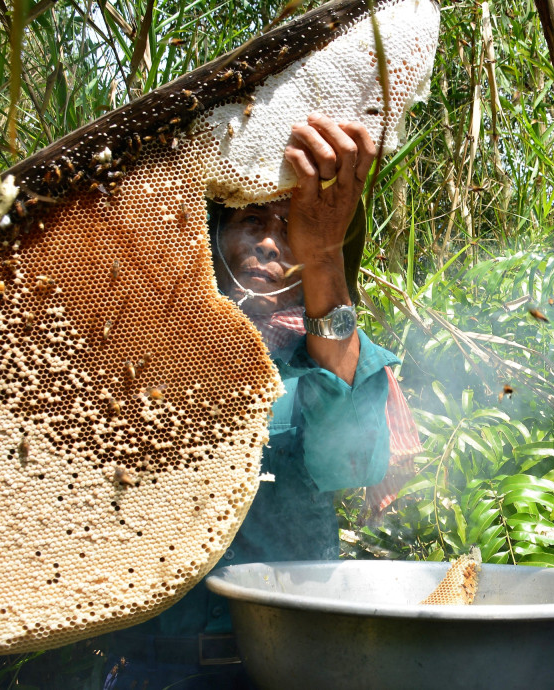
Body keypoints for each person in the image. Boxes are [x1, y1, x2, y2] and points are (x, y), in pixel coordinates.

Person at [95, 113, 421, 689]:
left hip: (293, 665)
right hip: (158, 668)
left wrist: (322, 254)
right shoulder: (148, 346)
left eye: (288, 227)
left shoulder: (322, 356)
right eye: (250, 221)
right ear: (209, 236)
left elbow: (352, 461)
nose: (270, 243)